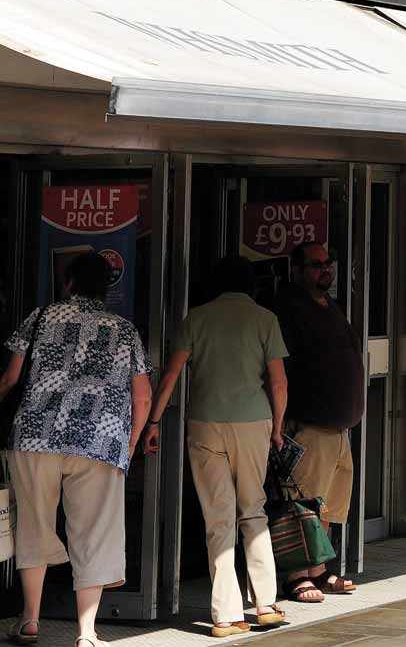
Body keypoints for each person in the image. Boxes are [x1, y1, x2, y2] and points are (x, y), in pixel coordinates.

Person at [0, 252, 153, 647]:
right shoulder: (124, 329)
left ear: (68, 283)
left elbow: (10, 378)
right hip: (99, 439)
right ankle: (86, 632)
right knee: (95, 531)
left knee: (33, 523)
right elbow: (142, 396)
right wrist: (130, 442)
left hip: (35, 435)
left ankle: (30, 619)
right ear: (105, 288)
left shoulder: (40, 317)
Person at [144, 255, 290, 636]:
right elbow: (279, 382)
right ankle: (266, 603)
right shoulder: (265, 319)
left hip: (205, 423)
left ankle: (226, 615)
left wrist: (153, 422)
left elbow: (171, 374)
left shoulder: (196, 319)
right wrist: (277, 428)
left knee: (219, 517)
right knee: (253, 509)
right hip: (253, 423)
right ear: (250, 284)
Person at [275, 243, 364, 604]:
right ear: (297, 269)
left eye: (329, 263)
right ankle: (296, 576)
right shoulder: (289, 308)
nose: (325, 269)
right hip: (308, 424)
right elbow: (279, 367)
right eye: (316, 264)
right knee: (303, 504)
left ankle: (320, 570)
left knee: (327, 506)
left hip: (339, 427)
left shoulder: (332, 306)